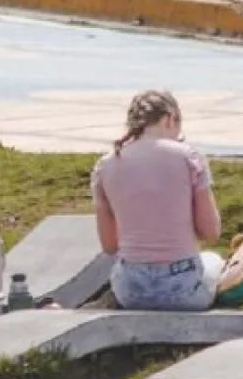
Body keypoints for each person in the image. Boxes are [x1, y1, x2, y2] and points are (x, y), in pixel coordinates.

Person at [90, 90, 224, 311]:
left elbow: (110, 246)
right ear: (170, 118)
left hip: (131, 292)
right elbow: (211, 232)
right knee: (214, 260)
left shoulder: (105, 166)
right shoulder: (190, 158)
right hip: (182, 290)